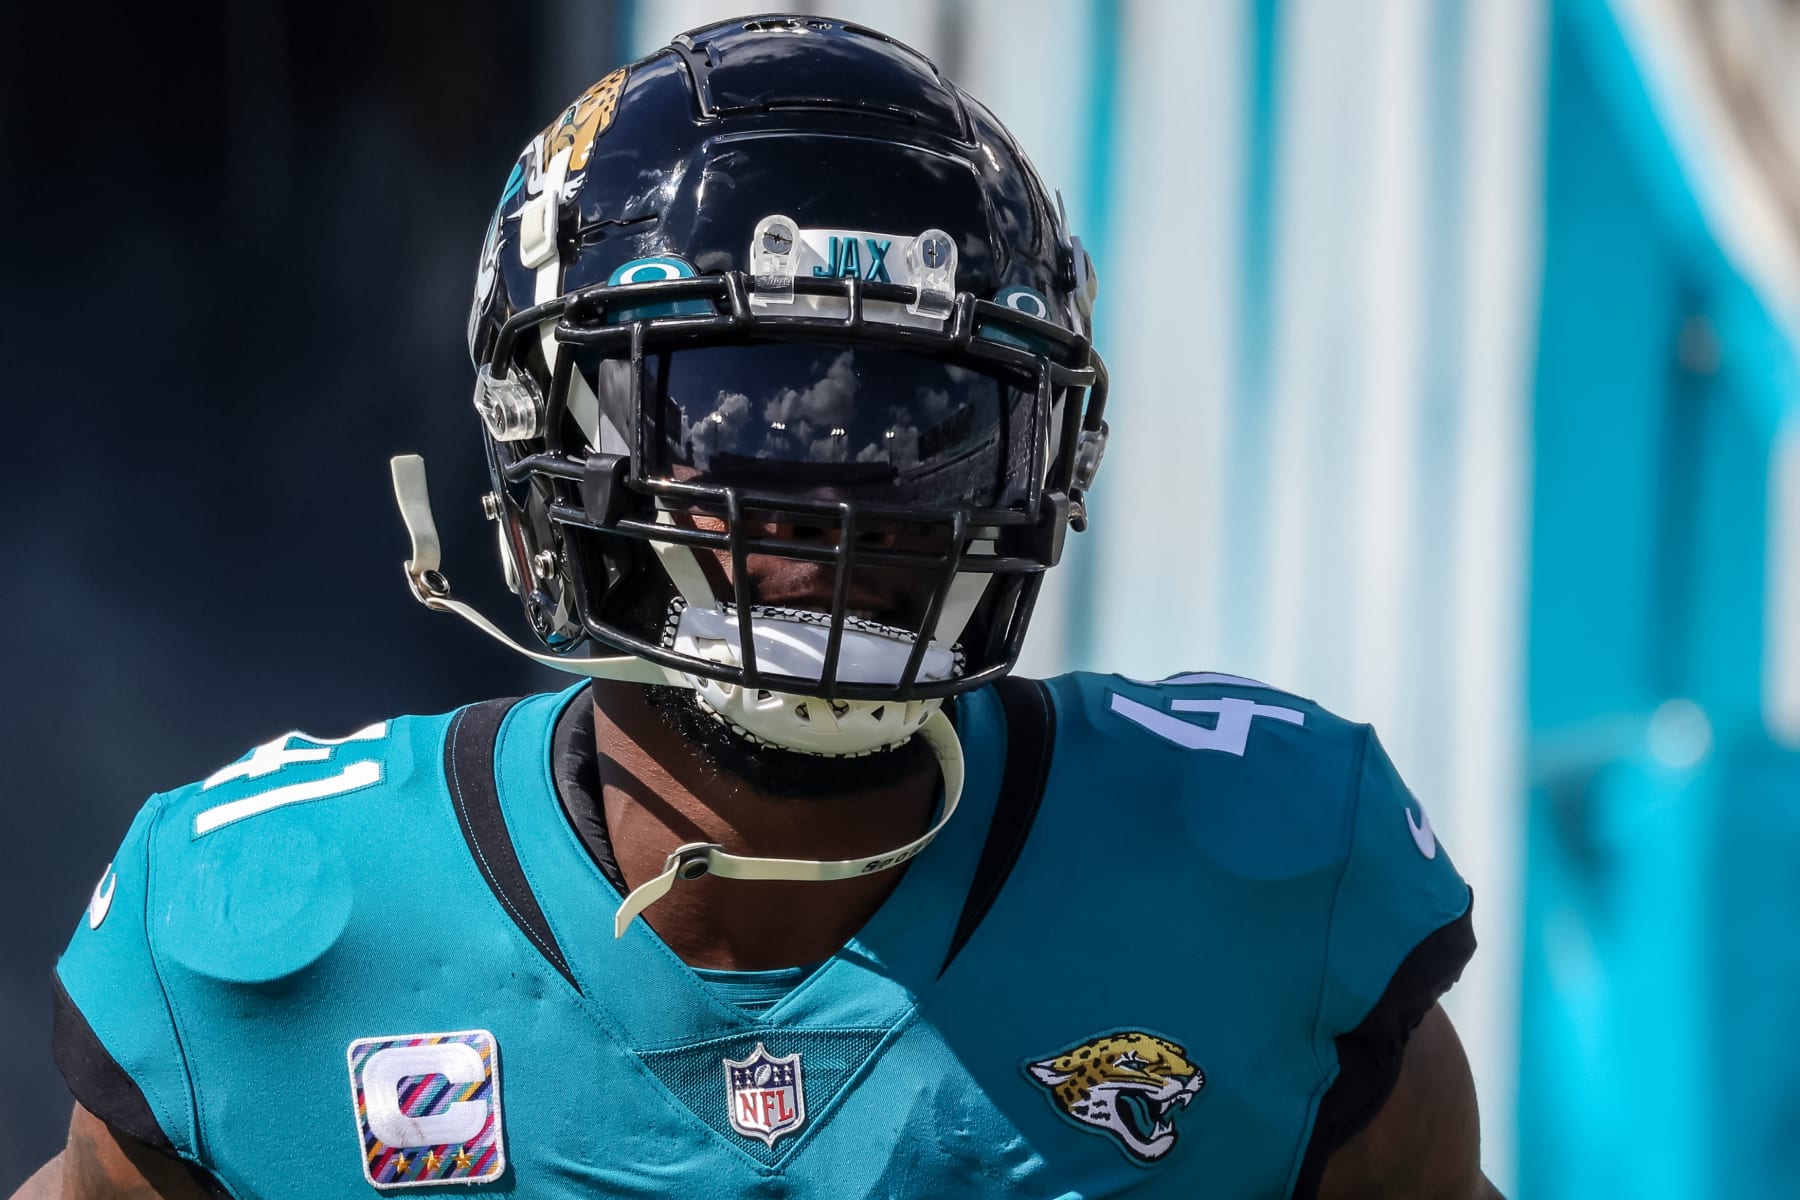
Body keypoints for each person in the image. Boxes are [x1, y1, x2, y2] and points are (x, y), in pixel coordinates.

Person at [17, 16, 1502, 1199]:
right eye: (746, 411)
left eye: (925, 415)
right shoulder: (273, 939)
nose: (843, 493)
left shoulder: (1253, 889)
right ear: (550, 427)